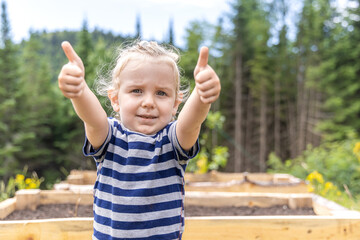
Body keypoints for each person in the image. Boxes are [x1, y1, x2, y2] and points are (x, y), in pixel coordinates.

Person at [58, 40, 221, 240]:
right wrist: (80, 90)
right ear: (116, 99)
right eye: (137, 91)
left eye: (161, 93)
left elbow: (190, 123)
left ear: (175, 104)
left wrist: (201, 96)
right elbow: (93, 119)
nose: (149, 102)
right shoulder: (109, 137)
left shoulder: (171, 142)